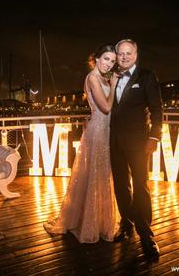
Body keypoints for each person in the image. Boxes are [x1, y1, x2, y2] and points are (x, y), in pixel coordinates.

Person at [44, 44, 120, 243]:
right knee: (94, 175)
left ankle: (100, 220)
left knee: (102, 175)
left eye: (112, 61)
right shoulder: (93, 78)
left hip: (105, 130)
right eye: (106, 59)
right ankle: (89, 223)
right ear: (96, 59)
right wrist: (113, 87)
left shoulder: (103, 77)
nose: (109, 64)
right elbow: (105, 107)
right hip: (98, 131)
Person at [110, 39, 163, 259]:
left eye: (128, 53)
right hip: (114, 142)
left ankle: (146, 234)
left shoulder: (146, 76)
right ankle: (126, 222)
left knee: (141, 185)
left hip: (139, 142)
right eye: (120, 53)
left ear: (136, 54)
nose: (124, 57)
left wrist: (153, 137)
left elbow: (157, 110)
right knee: (121, 185)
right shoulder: (111, 76)